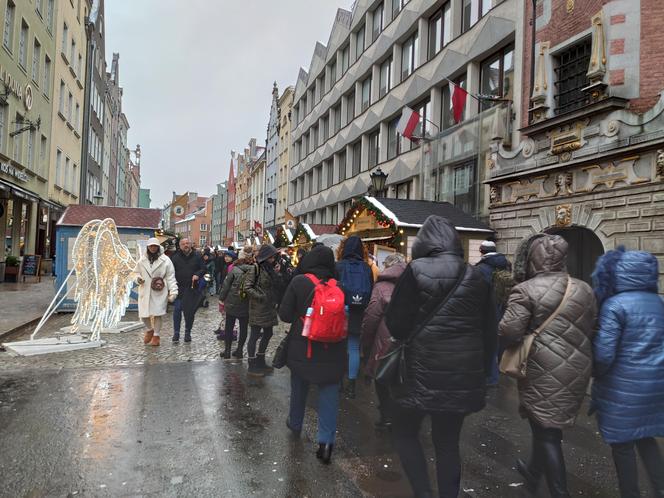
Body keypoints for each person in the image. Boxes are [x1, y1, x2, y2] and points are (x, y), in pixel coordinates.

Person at [385, 216, 497, 498]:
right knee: (448, 444)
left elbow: (397, 323)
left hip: (419, 371)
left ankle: (423, 492)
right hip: (461, 374)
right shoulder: (476, 275)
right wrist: (483, 373)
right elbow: (489, 331)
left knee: (405, 432)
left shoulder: (416, 270)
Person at [499, 234, 596, 498]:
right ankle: (533, 472)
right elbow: (592, 327)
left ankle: (559, 491)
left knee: (547, 433)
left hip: (541, 366)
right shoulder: (584, 288)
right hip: (578, 366)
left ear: (534, 259)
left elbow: (509, 331)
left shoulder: (526, 289)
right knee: (545, 424)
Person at [591, 248, 664, 498]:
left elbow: (603, 355)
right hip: (654, 385)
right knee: (646, 437)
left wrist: (595, 374)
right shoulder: (658, 303)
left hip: (622, 387)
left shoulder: (614, 305)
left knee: (622, 445)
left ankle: (630, 493)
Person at [278, 245, 346, 464]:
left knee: (299, 386)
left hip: (303, 346)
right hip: (333, 348)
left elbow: (285, 315)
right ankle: (326, 444)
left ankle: (296, 423)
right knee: (329, 394)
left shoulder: (299, 282)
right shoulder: (339, 285)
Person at [361, 252, 406, 429]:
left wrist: (367, 343)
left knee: (382, 377)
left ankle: (387, 415)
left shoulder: (381, 286)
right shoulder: (415, 282)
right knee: (403, 377)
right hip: (409, 339)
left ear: (388, 266)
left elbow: (371, 317)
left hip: (385, 340)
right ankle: (402, 415)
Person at [336, 236, 373, 399]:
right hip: (359, 311)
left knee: (339, 348)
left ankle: (338, 383)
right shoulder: (366, 268)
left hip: (341, 310)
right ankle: (351, 386)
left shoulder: (339, 266)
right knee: (353, 348)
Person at [475, 239, 512, 386]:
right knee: (499, 341)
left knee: (488, 341)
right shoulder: (506, 264)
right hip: (504, 306)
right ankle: (499, 368)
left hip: (488, 309)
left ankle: (491, 377)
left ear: (481, 251)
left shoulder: (481, 268)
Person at [245, 244, 282, 376]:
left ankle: (260, 360)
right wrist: (261, 296)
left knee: (268, 333)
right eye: (271, 257)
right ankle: (252, 364)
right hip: (258, 307)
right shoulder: (256, 269)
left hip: (269, 307)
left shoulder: (271, 269)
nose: (273, 259)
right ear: (265, 257)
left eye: (274, 257)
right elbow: (247, 287)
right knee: (254, 335)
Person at [136, 238, 178, 347]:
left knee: (158, 314)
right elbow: (135, 273)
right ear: (148, 247)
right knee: (144, 314)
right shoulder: (142, 260)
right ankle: (150, 330)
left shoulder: (166, 260)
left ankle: (156, 335)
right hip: (145, 289)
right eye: (151, 246)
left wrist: (173, 291)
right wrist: (138, 279)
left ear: (158, 247)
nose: (153, 248)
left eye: (155, 246)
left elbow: (170, 277)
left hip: (159, 290)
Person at [219, 246, 254, 359]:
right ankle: (239, 350)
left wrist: (222, 298)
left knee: (229, 327)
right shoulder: (254, 270)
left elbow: (226, 285)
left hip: (232, 302)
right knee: (244, 328)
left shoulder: (234, 269)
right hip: (246, 303)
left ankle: (227, 351)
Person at [170, 238, 206, 343]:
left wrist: (197, 274)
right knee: (177, 310)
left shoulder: (197, 256)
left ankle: (187, 332)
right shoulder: (175, 257)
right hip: (179, 288)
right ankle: (176, 333)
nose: (185, 245)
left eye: (187, 243)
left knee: (189, 313)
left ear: (190, 244)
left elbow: (203, 268)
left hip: (191, 288)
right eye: (183, 244)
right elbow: (170, 271)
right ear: (180, 246)